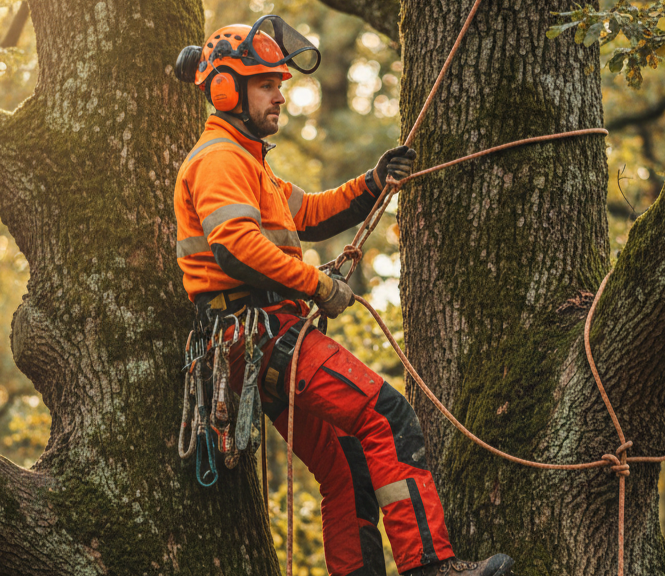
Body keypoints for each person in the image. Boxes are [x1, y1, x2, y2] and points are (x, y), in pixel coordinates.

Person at [172, 16, 514, 576]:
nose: (280, 95)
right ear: (226, 88)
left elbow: (310, 213)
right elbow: (234, 247)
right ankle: (429, 565)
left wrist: (372, 182)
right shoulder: (220, 160)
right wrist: (319, 285)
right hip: (261, 335)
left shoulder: (251, 163)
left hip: (260, 342)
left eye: (279, 83)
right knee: (389, 416)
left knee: (349, 470)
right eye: (266, 84)